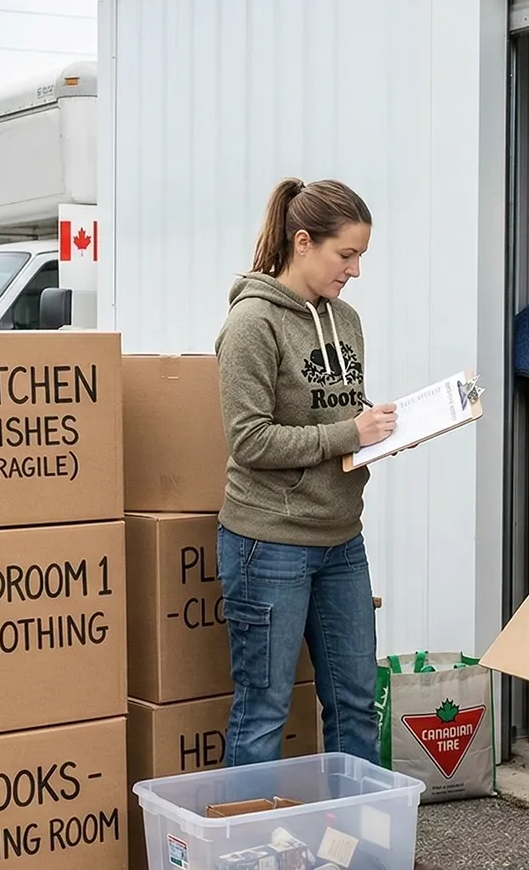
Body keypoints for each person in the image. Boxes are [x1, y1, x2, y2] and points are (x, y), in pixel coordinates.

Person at [214, 177, 396, 769]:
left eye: (361, 256)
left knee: (354, 702)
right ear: (302, 243)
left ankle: (356, 850)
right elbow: (250, 440)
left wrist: (383, 433)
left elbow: (342, 413)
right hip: (270, 543)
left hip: (342, 537)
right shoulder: (253, 324)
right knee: (265, 708)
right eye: (346, 255)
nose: (356, 270)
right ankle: (248, 856)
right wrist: (351, 434)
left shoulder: (346, 320)